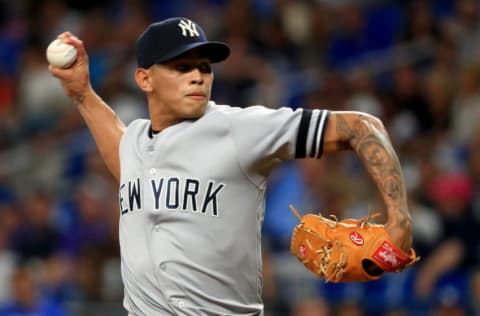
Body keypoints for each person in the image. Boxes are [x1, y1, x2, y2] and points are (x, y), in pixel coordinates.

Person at [49, 17, 413, 316]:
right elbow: (119, 143)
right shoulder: (136, 144)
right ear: (145, 79)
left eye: (204, 67)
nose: (198, 76)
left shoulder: (240, 128)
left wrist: (399, 220)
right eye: (181, 66)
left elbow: (362, 127)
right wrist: (81, 93)